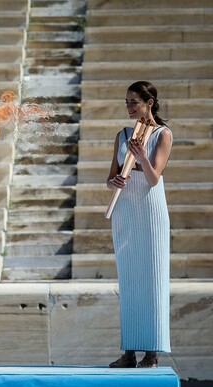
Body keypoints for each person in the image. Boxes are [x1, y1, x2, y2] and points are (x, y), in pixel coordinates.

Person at [106, 81, 173, 368]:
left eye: (134, 101)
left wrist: (142, 154)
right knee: (129, 280)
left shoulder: (162, 134)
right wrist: (115, 180)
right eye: (127, 102)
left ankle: (152, 352)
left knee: (152, 279)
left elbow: (153, 177)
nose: (130, 107)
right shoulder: (122, 134)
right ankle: (129, 351)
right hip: (125, 209)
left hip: (150, 209)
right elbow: (110, 177)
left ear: (150, 102)